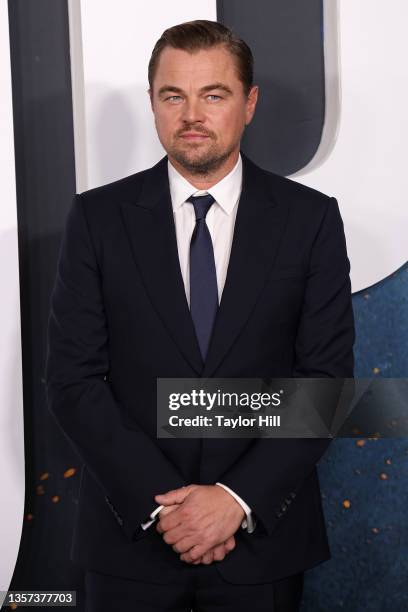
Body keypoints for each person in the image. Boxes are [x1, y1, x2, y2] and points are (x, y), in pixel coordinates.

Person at [45, 19, 355, 612]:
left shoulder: (310, 221)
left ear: (249, 103)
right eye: (173, 96)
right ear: (154, 105)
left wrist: (235, 500)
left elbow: (326, 384)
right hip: (129, 546)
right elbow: (72, 382)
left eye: (213, 94)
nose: (192, 114)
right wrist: (165, 507)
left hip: (262, 546)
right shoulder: (97, 220)